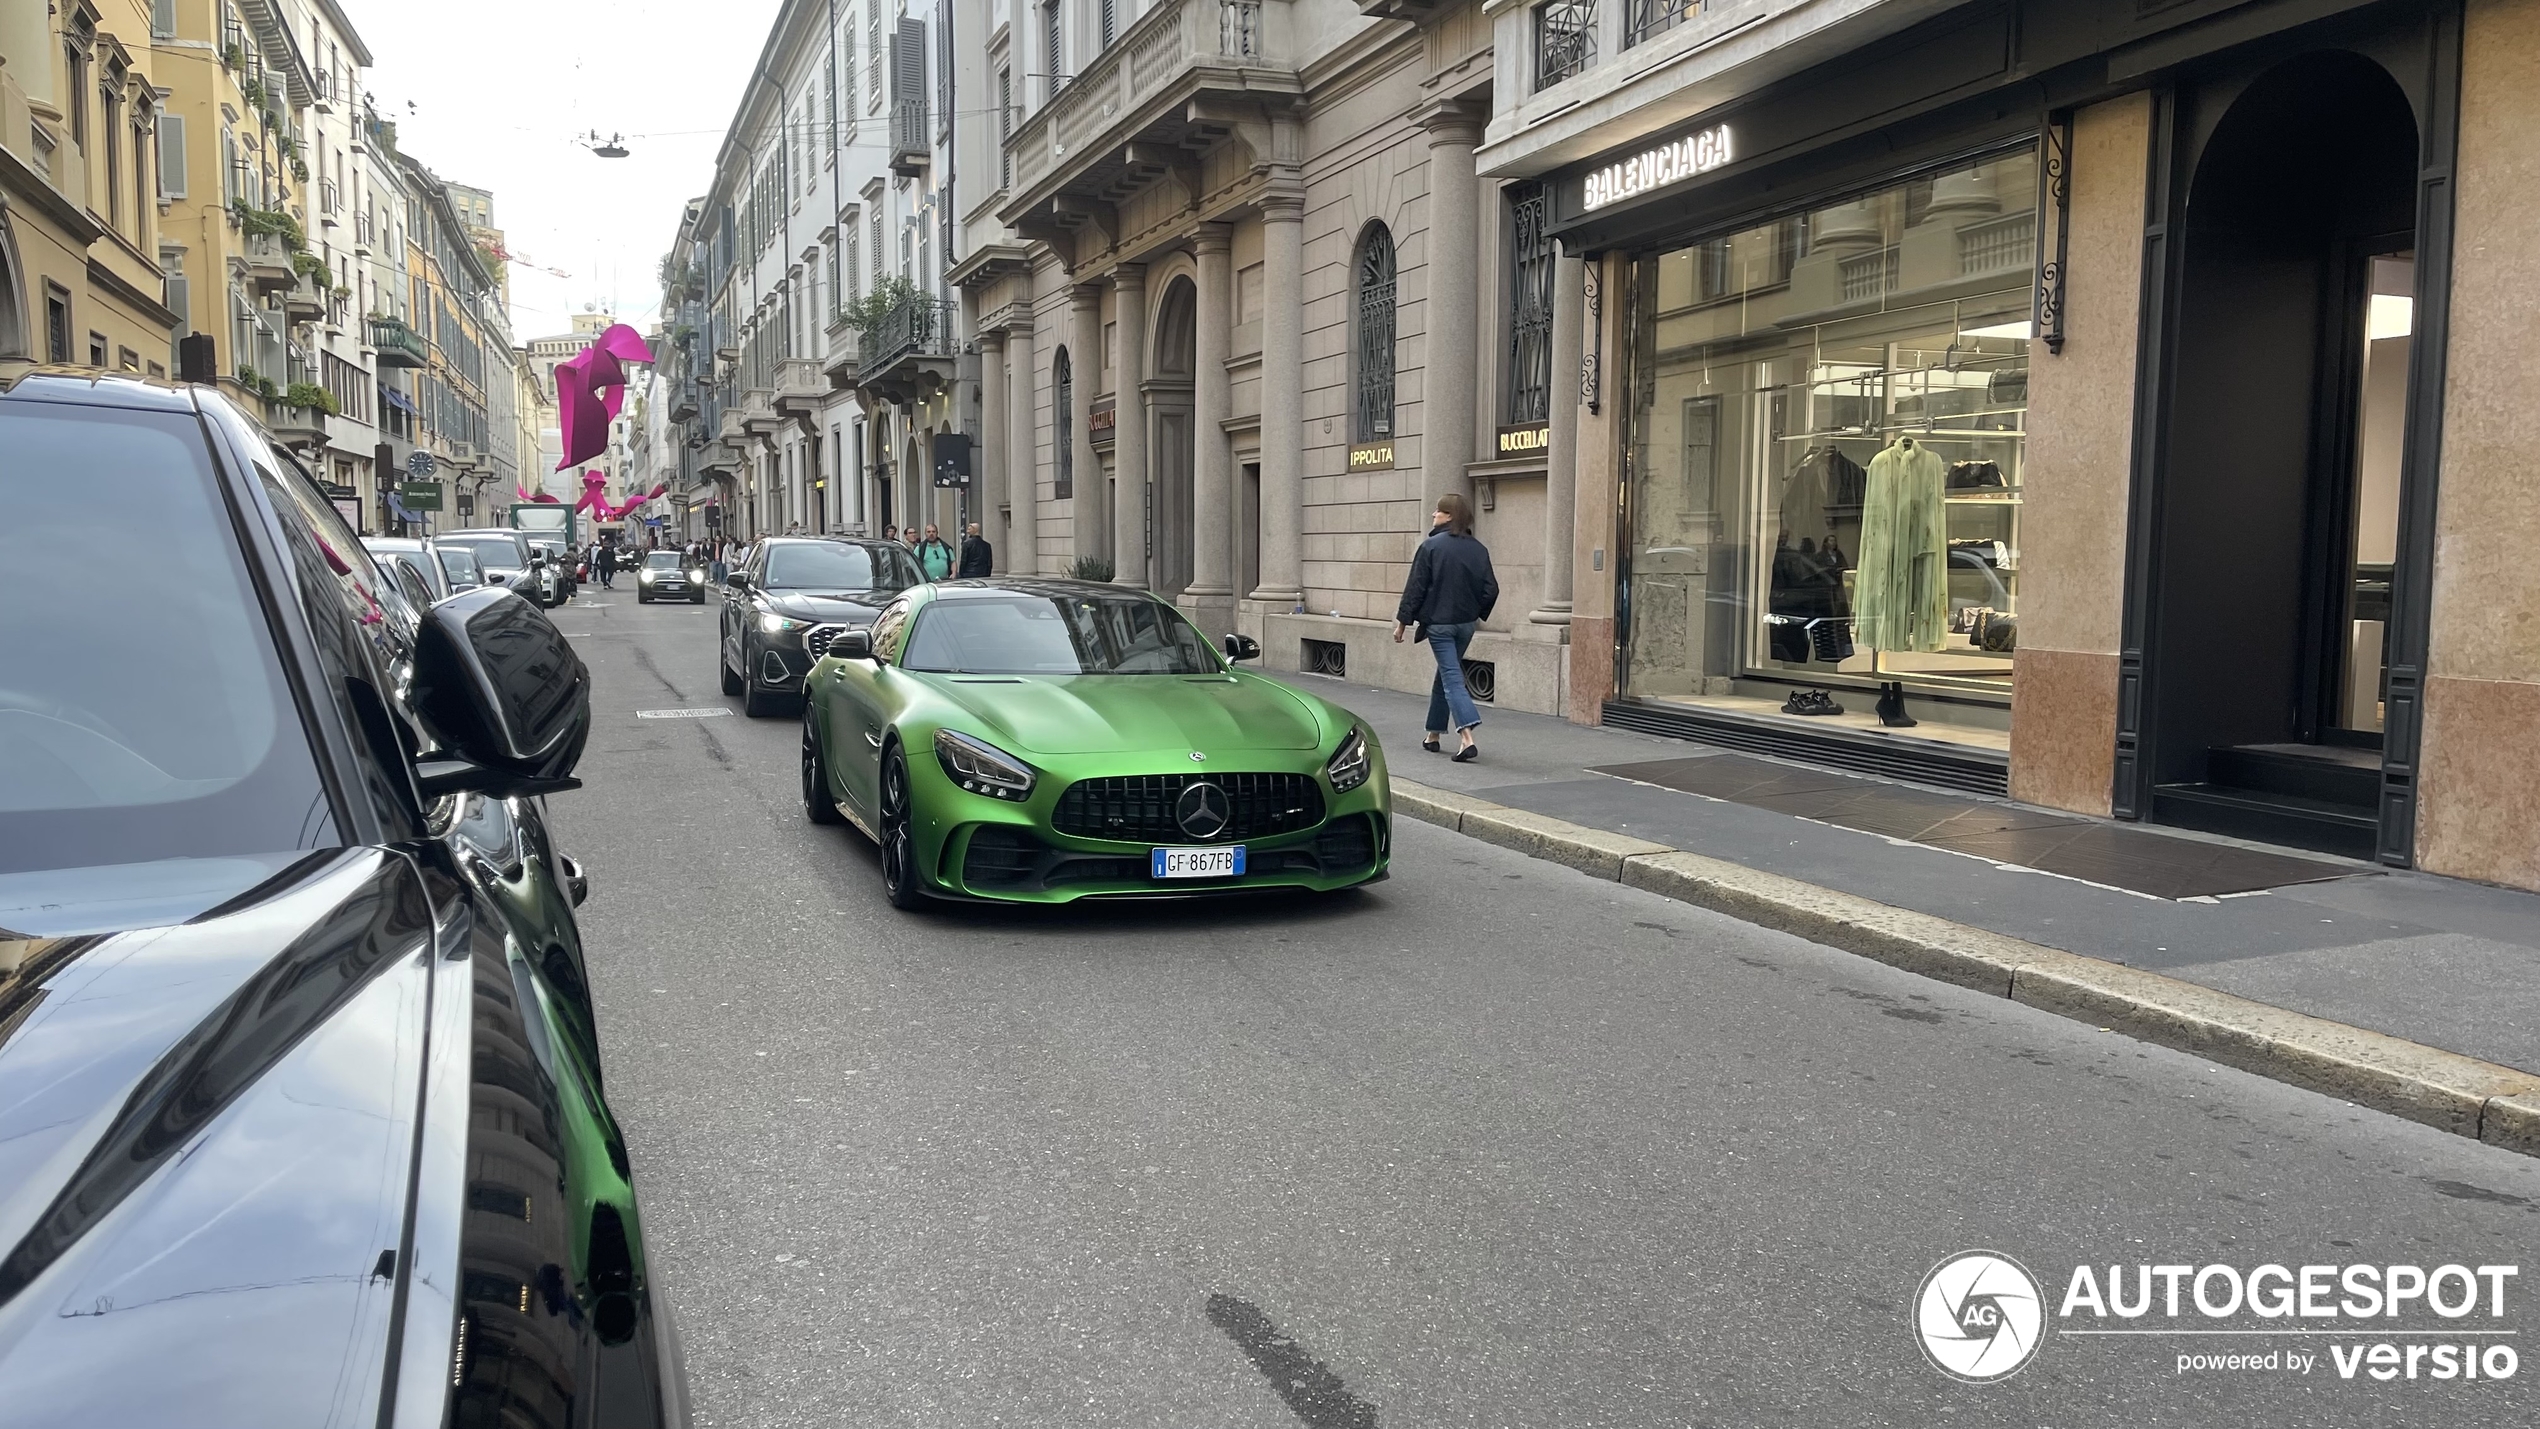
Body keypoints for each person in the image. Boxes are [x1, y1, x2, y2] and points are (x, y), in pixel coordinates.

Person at [1393, 491, 1498, 762]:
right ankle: (1434, 734)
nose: (1433, 514)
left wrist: (1403, 623)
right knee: (1445, 674)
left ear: (1449, 516)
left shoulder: (1430, 547)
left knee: (1451, 678)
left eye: (1438, 511)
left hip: (1440, 625)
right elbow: (1491, 590)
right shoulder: (1478, 549)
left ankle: (1467, 736)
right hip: (1465, 625)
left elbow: (1415, 588)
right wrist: (1475, 612)